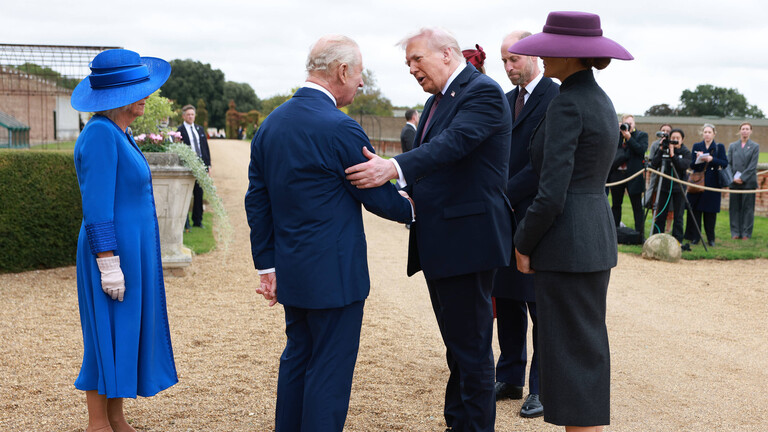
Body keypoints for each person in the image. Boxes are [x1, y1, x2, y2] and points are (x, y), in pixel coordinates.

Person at [345, 27, 513, 432]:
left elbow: (455, 144)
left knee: (471, 351)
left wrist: (395, 167)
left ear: (447, 54)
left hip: (468, 241)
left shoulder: (482, 91)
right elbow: (442, 164)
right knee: (458, 349)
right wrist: (404, 190)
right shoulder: (437, 100)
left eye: (417, 59)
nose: (412, 69)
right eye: (407, 63)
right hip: (444, 240)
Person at [244, 35, 413, 432]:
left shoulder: (270, 126)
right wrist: (414, 208)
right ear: (341, 71)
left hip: (292, 271)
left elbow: (257, 201)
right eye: (359, 75)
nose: (361, 84)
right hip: (336, 276)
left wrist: (266, 267)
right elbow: (375, 196)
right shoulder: (341, 128)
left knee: (297, 359)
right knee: (329, 372)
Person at [507, 11, 633, 431]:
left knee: (570, 354)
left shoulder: (567, 104)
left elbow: (550, 193)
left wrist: (523, 243)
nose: (543, 56)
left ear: (572, 55)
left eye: (550, 48)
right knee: (585, 348)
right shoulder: (599, 100)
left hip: (565, 246)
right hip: (593, 238)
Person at [69, 48, 178, 432]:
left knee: (121, 332)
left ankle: (116, 418)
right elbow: (97, 207)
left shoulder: (119, 132)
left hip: (130, 252)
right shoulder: (100, 135)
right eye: (139, 88)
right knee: (105, 334)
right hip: (112, 253)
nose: (146, 94)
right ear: (119, 95)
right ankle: (97, 424)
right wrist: (108, 262)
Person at [493, 29, 559, 420]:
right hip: (503, 217)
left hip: (537, 216)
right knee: (509, 299)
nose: (507, 67)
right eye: (503, 61)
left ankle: (542, 388)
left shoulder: (556, 98)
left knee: (539, 304)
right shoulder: (504, 101)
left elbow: (546, 165)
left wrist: (500, 192)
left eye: (513, 59)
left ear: (533, 56)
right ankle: (510, 375)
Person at [685, 123, 728, 246]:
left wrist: (711, 159)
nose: (707, 134)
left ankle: (711, 239)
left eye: (709, 132)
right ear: (702, 134)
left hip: (713, 184)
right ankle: (695, 238)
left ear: (714, 133)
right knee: (696, 212)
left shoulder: (719, 147)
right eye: (705, 132)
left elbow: (724, 163)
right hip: (698, 183)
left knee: (710, 214)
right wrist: (699, 159)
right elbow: (692, 165)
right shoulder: (697, 146)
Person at [650, 129, 692, 242]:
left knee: (678, 216)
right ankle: (656, 238)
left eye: (677, 138)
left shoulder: (686, 152)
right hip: (664, 186)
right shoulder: (664, 150)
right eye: (673, 138)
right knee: (661, 214)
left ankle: (677, 240)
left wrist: (673, 155)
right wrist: (661, 150)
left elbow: (683, 165)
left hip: (679, 188)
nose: (675, 140)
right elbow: (654, 164)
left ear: (682, 140)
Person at [608, 114, 648, 234]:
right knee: (616, 205)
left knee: (637, 207)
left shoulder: (641, 136)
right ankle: (615, 232)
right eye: (626, 123)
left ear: (634, 124)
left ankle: (639, 234)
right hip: (617, 174)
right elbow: (611, 150)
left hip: (634, 175)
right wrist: (617, 130)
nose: (628, 126)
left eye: (630, 123)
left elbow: (641, 150)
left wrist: (629, 138)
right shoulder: (617, 135)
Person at [177, 105, 211, 228]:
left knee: (199, 193)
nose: (191, 116)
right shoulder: (179, 131)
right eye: (188, 114)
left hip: (200, 166)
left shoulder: (200, 129)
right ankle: (185, 224)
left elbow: (205, 148)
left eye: (192, 114)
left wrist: (208, 166)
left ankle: (198, 221)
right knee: (185, 194)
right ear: (183, 116)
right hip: (187, 166)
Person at [728, 122, 760, 239]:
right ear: (740, 131)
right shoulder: (732, 146)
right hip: (734, 182)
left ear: (750, 131)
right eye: (743, 129)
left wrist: (742, 178)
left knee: (748, 209)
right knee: (734, 208)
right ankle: (735, 233)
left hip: (748, 182)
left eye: (747, 129)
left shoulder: (755, 146)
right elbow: (729, 163)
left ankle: (746, 233)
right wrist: (733, 178)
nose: (745, 131)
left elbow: (752, 166)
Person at [644, 123, 673, 210]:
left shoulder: (672, 144)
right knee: (654, 197)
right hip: (656, 174)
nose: (665, 132)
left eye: (668, 131)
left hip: (669, 175)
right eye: (663, 130)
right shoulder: (655, 144)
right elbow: (652, 161)